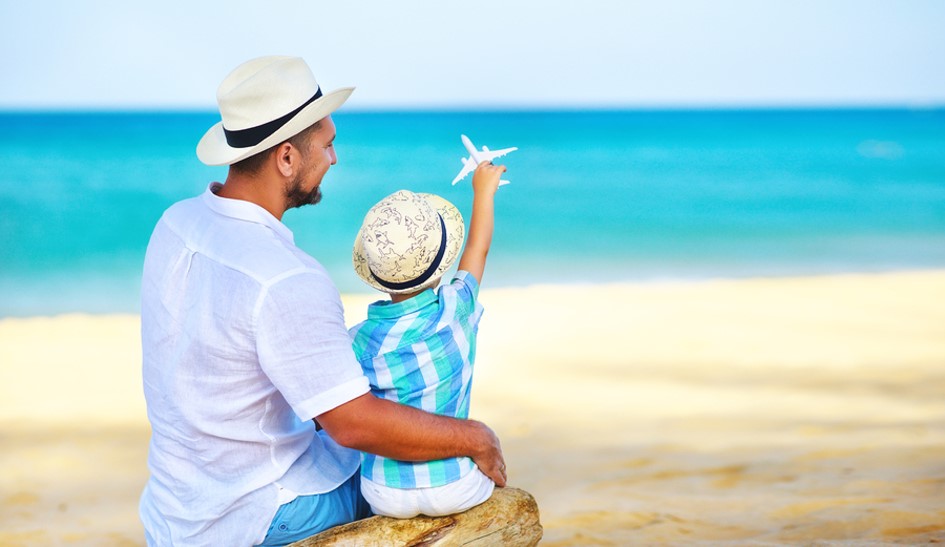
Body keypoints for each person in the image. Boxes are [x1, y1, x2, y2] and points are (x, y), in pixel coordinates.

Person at [139, 56, 506, 547]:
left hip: (178, 507)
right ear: (286, 157)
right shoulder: (286, 277)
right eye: (328, 144)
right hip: (259, 514)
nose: (334, 158)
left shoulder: (176, 223)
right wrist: (476, 437)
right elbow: (354, 426)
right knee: (415, 467)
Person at [348, 160, 505, 518]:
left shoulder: (358, 341)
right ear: (439, 262)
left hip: (383, 492)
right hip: (455, 485)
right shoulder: (456, 306)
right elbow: (478, 250)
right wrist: (484, 192)